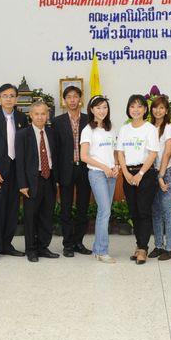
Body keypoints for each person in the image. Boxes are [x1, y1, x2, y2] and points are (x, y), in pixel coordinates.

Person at [0, 83, 29, 261]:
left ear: (16, 99)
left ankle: (7, 245)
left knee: (12, 210)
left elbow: (24, 146)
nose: (8, 99)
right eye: (5, 96)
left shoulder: (22, 118)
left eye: (12, 96)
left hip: (16, 171)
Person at [115, 94, 159, 265]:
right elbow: (120, 152)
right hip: (128, 174)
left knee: (144, 211)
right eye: (132, 106)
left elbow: (153, 153)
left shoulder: (150, 129)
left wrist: (140, 174)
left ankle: (142, 248)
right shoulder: (124, 129)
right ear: (128, 109)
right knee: (134, 212)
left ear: (145, 109)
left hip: (145, 174)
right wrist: (125, 173)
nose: (136, 109)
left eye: (140, 106)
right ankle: (139, 245)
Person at [16, 101, 60, 262]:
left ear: (47, 115)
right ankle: (31, 250)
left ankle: (43, 247)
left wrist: (56, 179)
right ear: (31, 115)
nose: (40, 117)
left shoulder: (52, 133)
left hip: (49, 179)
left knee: (46, 216)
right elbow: (20, 161)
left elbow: (55, 157)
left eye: (43, 114)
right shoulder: (23, 134)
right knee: (31, 217)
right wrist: (22, 184)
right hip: (31, 181)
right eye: (37, 114)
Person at [51, 85, 92, 257]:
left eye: (75, 96)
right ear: (64, 100)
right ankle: (68, 244)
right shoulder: (57, 121)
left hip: (85, 169)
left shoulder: (89, 119)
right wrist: (55, 175)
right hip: (65, 170)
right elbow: (54, 150)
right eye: (69, 97)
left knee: (83, 209)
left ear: (80, 99)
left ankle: (78, 242)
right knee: (66, 210)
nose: (72, 100)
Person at [79, 94, 118, 263]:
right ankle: (102, 251)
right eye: (98, 107)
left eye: (105, 107)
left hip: (111, 174)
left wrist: (116, 166)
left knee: (105, 211)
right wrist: (104, 167)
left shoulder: (111, 128)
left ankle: (97, 249)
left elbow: (114, 151)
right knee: (105, 211)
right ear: (91, 110)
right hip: (97, 173)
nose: (102, 111)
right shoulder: (88, 130)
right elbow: (84, 156)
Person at [149, 95, 171, 261]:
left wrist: (160, 175)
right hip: (152, 172)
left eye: (161, 108)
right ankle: (158, 245)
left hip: (166, 172)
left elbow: (167, 153)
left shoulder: (169, 128)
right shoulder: (149, 127)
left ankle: (170, 248)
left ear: (166, 111)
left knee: (167, 210)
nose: (158, 110)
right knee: (155, 211)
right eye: (155, 107)